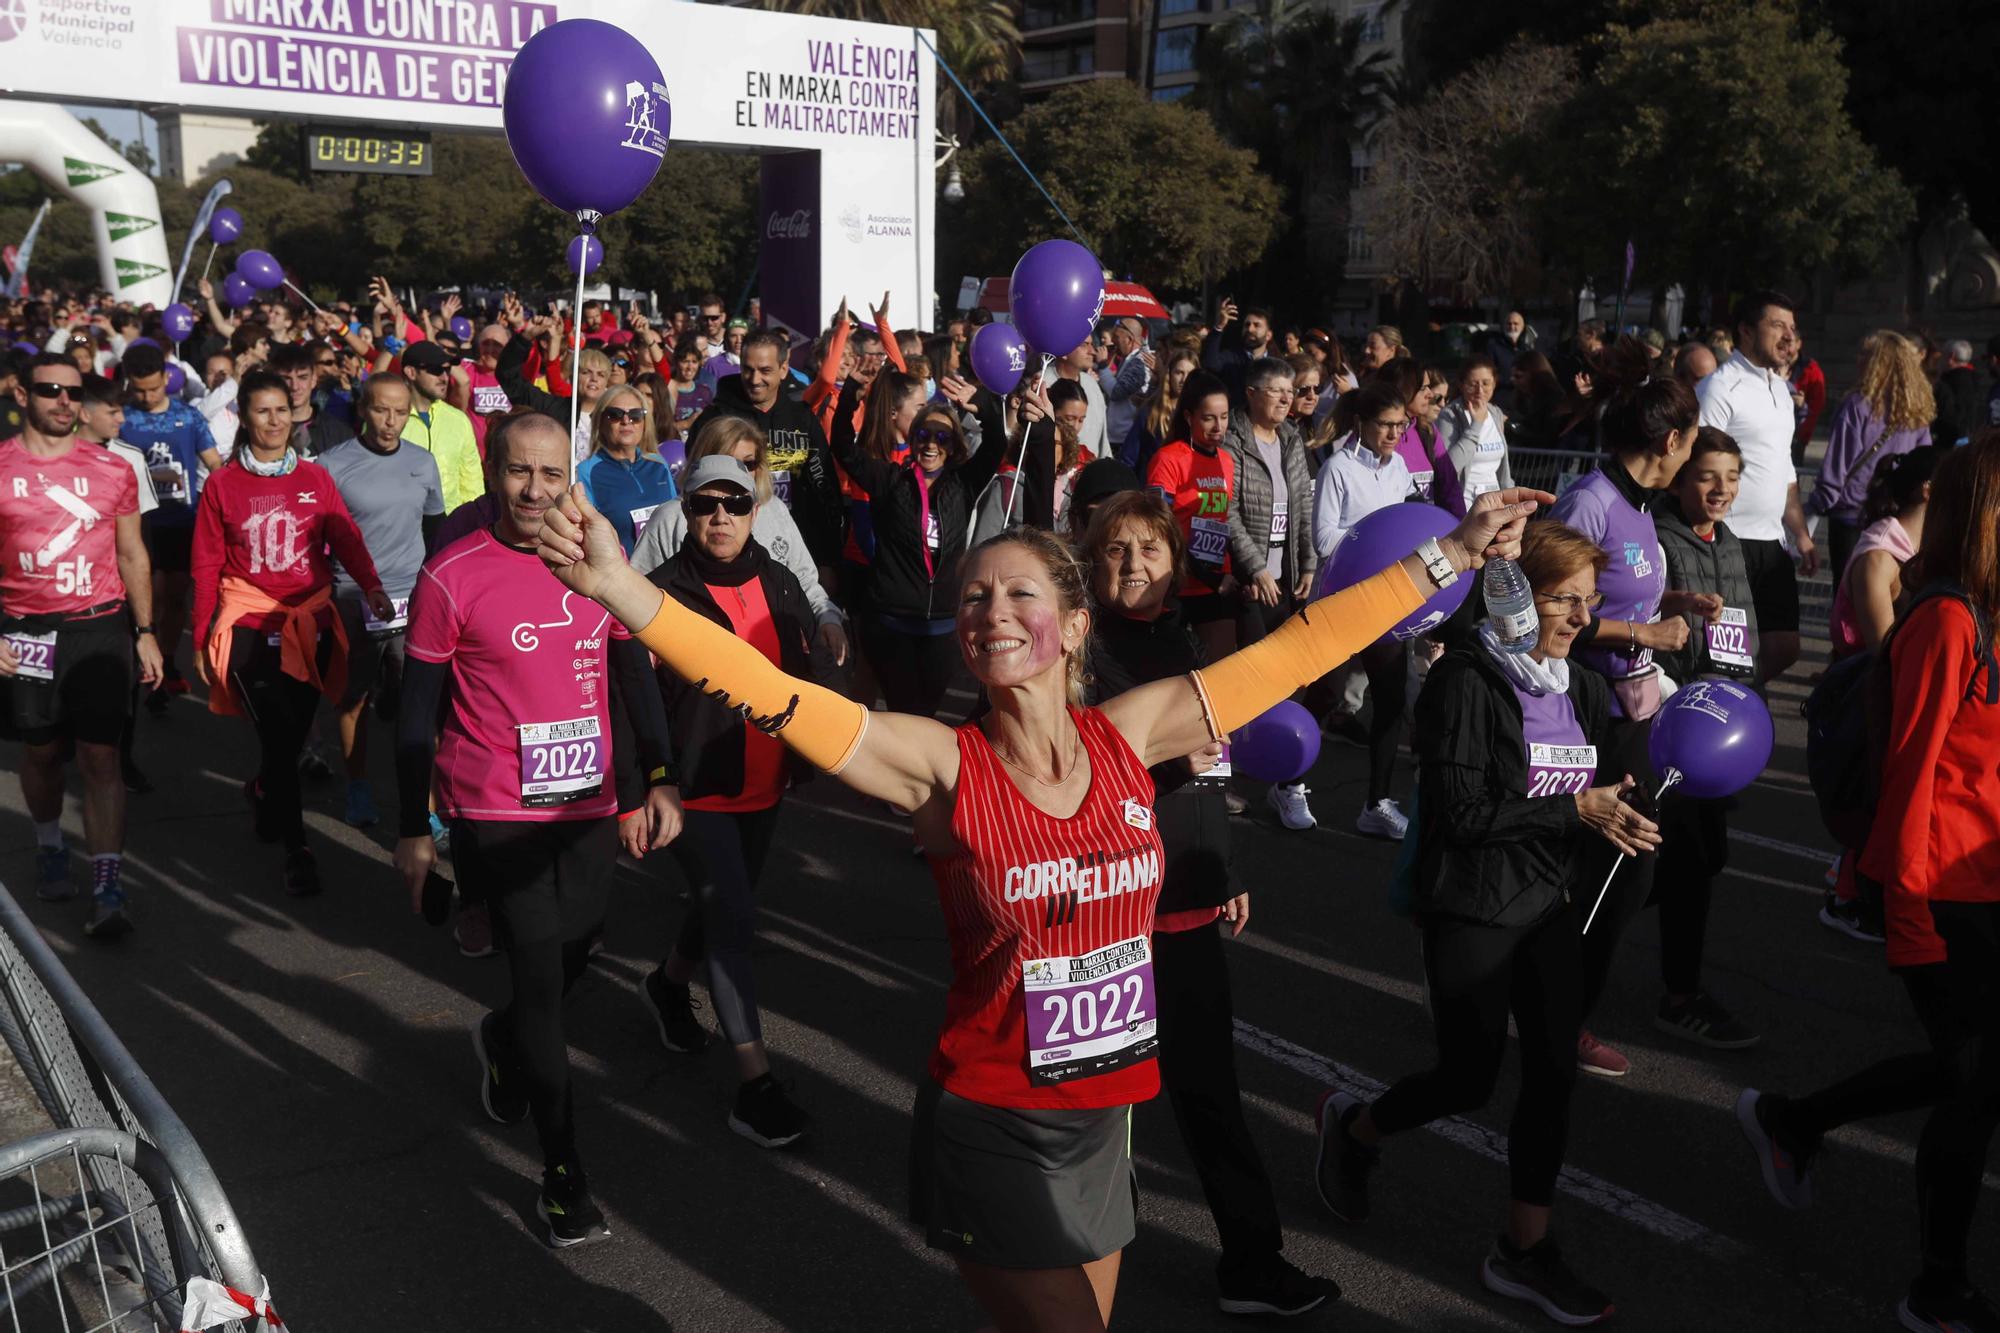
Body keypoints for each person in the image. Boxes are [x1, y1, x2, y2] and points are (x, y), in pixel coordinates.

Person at [538, 438, 1546, 1330]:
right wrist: (624, 592)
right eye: (973, 597)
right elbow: (779, 695)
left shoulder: (1135, 729)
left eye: (1019, 593)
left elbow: (1298, 650)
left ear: (1070, 623)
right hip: (992, 1118)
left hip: (1108, 1118)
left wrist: (1449, 553)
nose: (990, 612)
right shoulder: (937, 763)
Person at [1313, 521, 1658, 1328]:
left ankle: (1523, 1251)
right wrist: (1575, 806)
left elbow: (1603, 776)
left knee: (1550, 1072)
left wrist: (1627, 803)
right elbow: (1464, 815)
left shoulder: (1580, 686)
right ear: (1510, 596)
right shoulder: (1466, 681)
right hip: (1472, 900)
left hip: (1551, 904)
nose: (1576, 615)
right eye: (1558, 597)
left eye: (1587, 599)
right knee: (1467, 1076)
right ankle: (1355, 1128)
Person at [393, 411, 677, 1248]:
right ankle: (563, 1174)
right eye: (519, 472)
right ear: (490, 469)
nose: (536, 491)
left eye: (552, 475)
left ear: (571, 476)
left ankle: (500, 1033)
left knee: (578, 952)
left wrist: (655, 777)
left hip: (587, 806)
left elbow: (632, 670)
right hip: (495, 812)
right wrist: (415, 827)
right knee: (547, 987)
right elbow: (415, 716)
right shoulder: (452, 574)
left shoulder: (596, 559)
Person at [1737, 433, 2000, 1333]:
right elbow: (1911, 780)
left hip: (1987, 886)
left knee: (1969, 1069)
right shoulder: (1946, 621)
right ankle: (1937, 1283)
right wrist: (1911, 916)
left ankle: (1794, 1120)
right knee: (1972, 1079)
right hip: (1938, 893)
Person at [1079, 489, 1336, 1317]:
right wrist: (1161, 762)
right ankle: (1083, 1271)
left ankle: (1252, 1264)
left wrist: (1228, 869)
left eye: (1149, 551)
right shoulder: (1079, 656)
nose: (1133, 566)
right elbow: (1072, 773)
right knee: (1104, 1109)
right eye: (1116, 551)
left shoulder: (1189, 642)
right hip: (1109, 919)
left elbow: (1216, 772)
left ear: (1174, 562)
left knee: (1212, 1096)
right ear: (1092, 563)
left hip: (1189, 903)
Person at [625, 454, 824, 1146]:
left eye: (734, 505)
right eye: (706, 503)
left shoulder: (775, 576)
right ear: (684, 508)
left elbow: (806, 666)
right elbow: (631, 696)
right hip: (695, 790)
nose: (719, 517)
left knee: (718, 908)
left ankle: (666, 985)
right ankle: (754, 1085)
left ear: (753, 512)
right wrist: (652, 781)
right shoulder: (657, 590)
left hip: (764, 785)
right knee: (734, 918)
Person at [1550, 359, 1705, 1075]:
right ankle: (1559, 1017)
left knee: (1626, 866)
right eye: (1694, 442)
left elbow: (1618, 598)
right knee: (1617, 865)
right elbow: (1549, 614)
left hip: (1633, 710)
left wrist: (1673, 609)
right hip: (1587, 712)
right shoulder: (1590, 501)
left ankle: (1550, 999)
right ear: (1670, 439)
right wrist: (1647, 636)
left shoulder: (1640, 502)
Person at [192, 370, 394, 895]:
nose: (275, 421)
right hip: (252, 622)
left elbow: (344, 535)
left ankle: (263, 788)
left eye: (282, 410)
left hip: (311, 619)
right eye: (263, 411)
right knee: (280, 737)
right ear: (243, 417)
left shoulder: (314, 477)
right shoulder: (222, 485)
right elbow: (206, 565)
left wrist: (370, 584)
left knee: (295, 728)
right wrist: (199, 635)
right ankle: (298, 848)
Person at [0, 354, 162, 937]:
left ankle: (107, 884)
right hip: (25, 631)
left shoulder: (111, 468)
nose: (64, 402)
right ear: (22, 394)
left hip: (98, 626)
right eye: (50, 391)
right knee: (42, 753)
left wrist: (145, 632)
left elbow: (132, 553)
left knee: (101, 757)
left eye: (73, 393)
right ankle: (48, 846)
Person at [1650, 427, 1763, 1050]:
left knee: (1703, 860)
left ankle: (1568, 927)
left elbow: (1740, 633)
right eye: (1705, 476)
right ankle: (1680, 996)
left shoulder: (1733, 541)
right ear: (1680, 476)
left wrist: (1752, 696)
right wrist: (1677, 600)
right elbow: (1634, 605)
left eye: (1731, 476)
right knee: (1686, 865)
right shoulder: (1658, 535)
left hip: (1725, 724)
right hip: (1675, 722)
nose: (1721, 489)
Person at [316, 373, 443, 829]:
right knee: (354, 700)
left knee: (420, 703)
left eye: (401, 411)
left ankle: (426, 804)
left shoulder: (423, 462)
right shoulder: (332, 465)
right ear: (363, 410)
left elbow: (434, 530)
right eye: (381, 410)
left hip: (414, 597)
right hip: (354, 597)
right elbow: (316, 537)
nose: (391, 422)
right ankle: (359, 786)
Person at [832, 388, 1005, 720]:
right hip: (892, 622)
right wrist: (850, 396)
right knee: (904, 710)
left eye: (942, 437)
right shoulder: (890, 481)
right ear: (913, 440)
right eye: (924, 435)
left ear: (953, 446)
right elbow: (843, 448)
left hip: (942, 626)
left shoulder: (963, 484)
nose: (931, 444)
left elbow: (996, 444)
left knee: (928, 711)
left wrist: (982, 402)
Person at [631, 417, 849, 668]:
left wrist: (827, 618)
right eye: (727, 462)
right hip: (699, 669)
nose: (740, 473)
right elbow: (638, 596)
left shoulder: (775, 510)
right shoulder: (670, 518)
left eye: (749, 463)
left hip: (776, 668)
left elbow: (805, 581)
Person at [1311, 381, 1418, 841]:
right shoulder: (1338, 467)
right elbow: (1323, 538)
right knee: (1324, 696)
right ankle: (1287, 783)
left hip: (1388, 602)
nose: (1395, 433)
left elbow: (1408, 527)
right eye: (1386, 425)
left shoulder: (1401, 471)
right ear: (1361, 424)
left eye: (1402, 425)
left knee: (1391, 702)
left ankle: (1376, 802)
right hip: (1339, 599)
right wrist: (1373, 545)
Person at [1696, 290, 1816, 683]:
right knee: (1725, 652)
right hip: (1728, 540)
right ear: (1746, 331)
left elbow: (1784, 469)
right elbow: (1698, 465)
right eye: (1778, 326)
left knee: (1785, 645)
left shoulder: (1781, 388)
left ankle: (1737, 697)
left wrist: (1800, 533)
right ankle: (1719, 706)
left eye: (1793, 328)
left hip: (1771, 541)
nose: (1789, 337)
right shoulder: (1719, 387)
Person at [1223, 358, 1319, 830]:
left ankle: (1287, 783)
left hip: (1285, 578)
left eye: (1291, 390)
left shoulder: (1291, 439)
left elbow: (1302, 504)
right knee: (1244, 681)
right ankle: (1226, 779)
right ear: (1252, 393)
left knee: (1291, 678)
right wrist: (1255, 567)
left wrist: (1308, 563)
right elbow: (1228, 511)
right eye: (1277, 390)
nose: (1286, 398)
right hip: (1246, 582)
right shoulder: (1234, 440)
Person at [685, 329, 845, 577]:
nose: (755, 378)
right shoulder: (715, 419)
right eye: (748, 369)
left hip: (799, 549)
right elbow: (694, 486)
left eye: (765, 370)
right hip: (733, 552)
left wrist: (829, 561)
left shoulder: (802, 419)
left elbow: (825, 492)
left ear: (783, 369)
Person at [120, 341, 221, 710]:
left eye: (154, 388)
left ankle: (165, 660)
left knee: (176, 597)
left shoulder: (189, 418)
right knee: (151, 598)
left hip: (181, 522)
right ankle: (146, 660)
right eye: (139, 390)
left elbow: (215, 464)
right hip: (136, 525)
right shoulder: (122, 418)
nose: (146, 397)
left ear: (167, 377)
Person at [1809, 331, 1935, 587]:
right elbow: (1924, 461)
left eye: (1865, 354)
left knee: (1847, 597)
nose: (1858, 360)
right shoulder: (1918, 410)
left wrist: (1814, 507)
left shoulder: (1858, 405)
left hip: (1851, 514)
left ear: (1878, 363)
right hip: (1896, 516)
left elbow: (1837, 464)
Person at [1146, 370, 1244, 664]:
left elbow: (1226, 521)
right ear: (1189, 417)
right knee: (1169, 676)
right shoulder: (1168, 459)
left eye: (1224, 417)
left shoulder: (1226, 461)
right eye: (1209, 418)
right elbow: (1157, 526)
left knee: (1221, 675)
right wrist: (1201, 572)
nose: (1218, 427)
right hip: (1175, 582)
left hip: (1216, 583)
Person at [574, 384, 676, 556]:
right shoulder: (586, 472)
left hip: (667, 574)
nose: (626, 421)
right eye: (615, 414)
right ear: (600, 421)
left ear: (645, 423)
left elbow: (675, 519)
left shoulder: (659, 464)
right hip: (621, 576)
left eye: (636, 415)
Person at [1440, 358, 1515, 506]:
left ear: (1494, 383)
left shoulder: (1496, 413)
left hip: (1494, 503)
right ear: (1461, 385)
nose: (1480, 390)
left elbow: (1503, 470)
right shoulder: (1449, 416)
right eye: (1473, 384)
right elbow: (1449, 466)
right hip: (1464, 506)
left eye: (1486, 383)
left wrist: (1512, 500)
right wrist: (1476, 425)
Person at [267, 343, 349, 457]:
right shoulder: (262, 429)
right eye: (286, 379)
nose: (295, 386)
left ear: (314, 379)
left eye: (302, 377)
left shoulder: (338, 432)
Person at [1202, 298, 1274, 407]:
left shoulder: (1276, 363)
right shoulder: (1230, 357)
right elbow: (1210, 364)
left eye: (1257, 325)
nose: (1250, 329)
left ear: (1268, 335)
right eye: (1247, 324)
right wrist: (1219, 327)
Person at [1100, 318, 1152, 447]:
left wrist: (1102, 366)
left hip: (1126, 438)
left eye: (1116, 337)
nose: (1113, 341)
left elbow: (1117, 393)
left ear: (1129, 339)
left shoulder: (1140, 361)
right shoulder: (1130, 359)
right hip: (1120, 436)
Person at [1931, 339, 1983, 448]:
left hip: (1950, 442)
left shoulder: (1948, 383)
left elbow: (1948, 415)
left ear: (1951, 356)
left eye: (1942, 356)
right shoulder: (1974, 380)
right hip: (1969, 439)